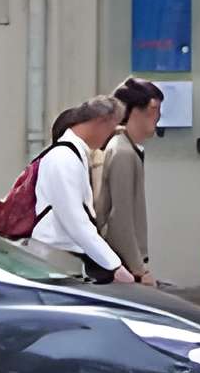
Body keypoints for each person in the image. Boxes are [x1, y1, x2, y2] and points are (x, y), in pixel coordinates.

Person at [31, 98, 139, 284]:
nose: (109, 136)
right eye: (111, 128)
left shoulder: (72, 154)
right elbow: (75, 221)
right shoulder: (63, 158)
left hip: (63, 260)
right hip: (56, 262)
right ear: (101, 122)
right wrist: (114, 266)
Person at [97, 77, 161, 285]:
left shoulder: (125, 148)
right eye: (155, 110)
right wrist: (139, 270)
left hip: (121, 265)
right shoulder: (123, 151)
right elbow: (120, 218)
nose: (158, 117)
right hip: (123, 269)